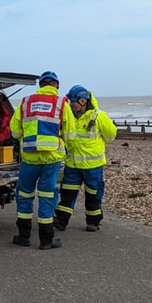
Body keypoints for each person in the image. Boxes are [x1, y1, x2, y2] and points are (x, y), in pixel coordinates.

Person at [8, 71, 76, 249]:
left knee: (24, 194)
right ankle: (46, 240)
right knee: (47, 195)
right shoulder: (62, 103)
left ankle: (23, 237)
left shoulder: (25, 102)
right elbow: (70, 134)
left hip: (29, 157)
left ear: (41, 85)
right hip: (51, 158)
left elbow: (14, 131)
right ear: (57, 85)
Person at [55, 85, 117, 232]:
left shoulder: (98, 116)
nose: (71, 104)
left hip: (92, 166)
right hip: (73, 165)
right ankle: (61, 221)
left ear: (83, 101)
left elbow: (111, 135)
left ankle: (93, 222)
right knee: (67, 195)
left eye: (73, 101)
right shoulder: (69, 116)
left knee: (93, 194)